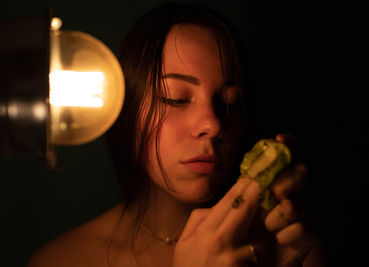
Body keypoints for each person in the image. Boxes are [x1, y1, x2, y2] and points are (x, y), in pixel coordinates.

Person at [27, 3, 327, 267]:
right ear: (123, 106)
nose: (213, 124)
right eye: (177, 98)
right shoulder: (62, 261)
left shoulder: (287, 245)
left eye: (230, 103)